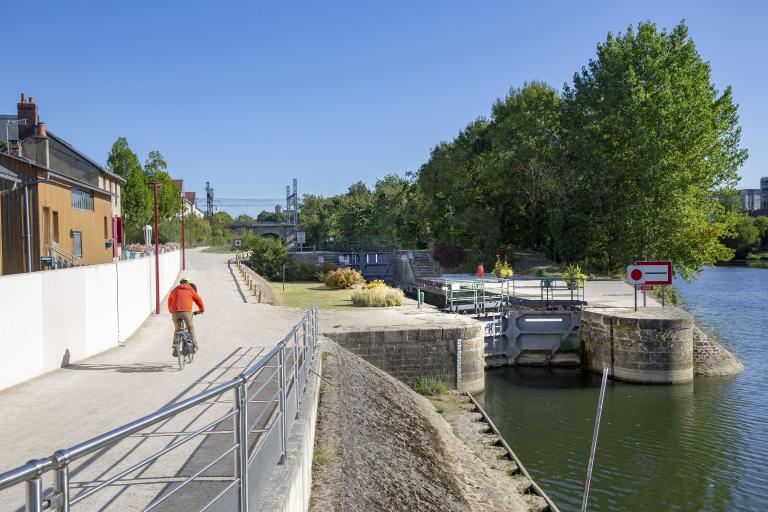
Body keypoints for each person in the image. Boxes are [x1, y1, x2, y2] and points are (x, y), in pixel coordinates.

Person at [168, 277, 205, 355]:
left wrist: (171, 311)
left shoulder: (174, 290)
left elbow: (169, 301)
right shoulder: (190, 290)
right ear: (189, 283)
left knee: (177, 329)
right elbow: (198, 300)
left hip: (175, 312)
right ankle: (194, 345)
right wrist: (201, 310)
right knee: (190, 327)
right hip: (186, 312)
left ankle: (175, 346)